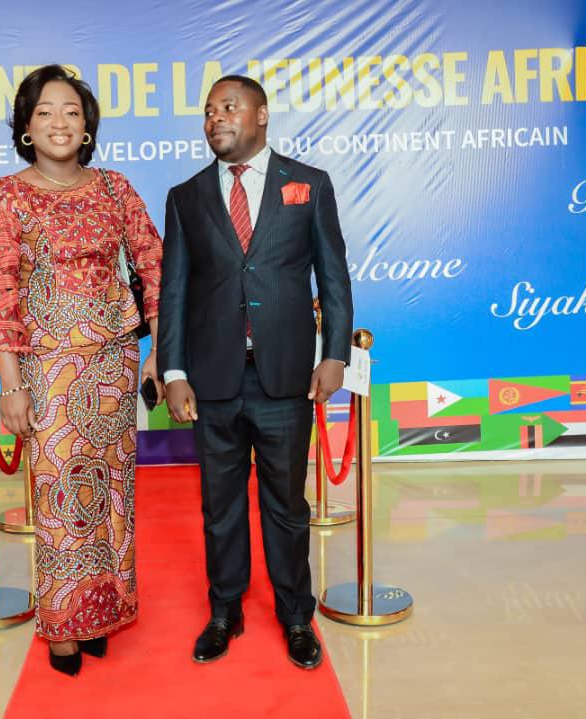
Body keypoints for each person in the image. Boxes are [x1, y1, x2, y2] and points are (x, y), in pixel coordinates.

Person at [0, 64, 164, 677]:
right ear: (26, 127)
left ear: (87, 126)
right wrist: (10, 384)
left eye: (71, 112)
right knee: (57, 496)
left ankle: (104, 610)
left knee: (111, 492)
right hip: (47, 368)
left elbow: (155, 266)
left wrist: (161, 349)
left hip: (115, 362)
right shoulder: (6, 195)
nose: (59, 123)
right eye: (45, 112)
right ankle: (64, 624)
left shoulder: (115, 189)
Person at [157, 75, 353, 669]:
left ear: (261, 115)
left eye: (229, 107)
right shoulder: (186, 196)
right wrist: (173, 370)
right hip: (212, 379)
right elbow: (174, 291)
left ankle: (296, 617)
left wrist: (334, 354)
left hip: (285, 377)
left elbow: (333, 276)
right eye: (208, 111)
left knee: (286, 507)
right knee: (219, 508)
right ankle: (225, 611)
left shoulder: (309, 184)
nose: (216, 118)